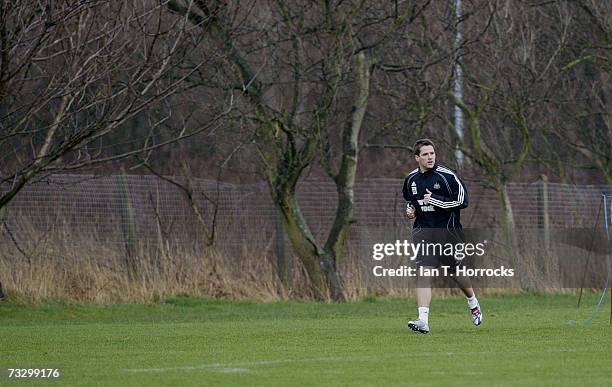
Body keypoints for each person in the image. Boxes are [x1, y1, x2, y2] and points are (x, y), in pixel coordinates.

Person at [402, 138, 482, 334]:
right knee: (423, 272)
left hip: (449, 233)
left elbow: (463, 200)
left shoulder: (446, 176)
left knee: (454, 272)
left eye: (432, 153)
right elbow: (412, 202)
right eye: (425, 154)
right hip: (423, 232)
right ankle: (423, 321)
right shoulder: (411, 179)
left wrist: (436, 200)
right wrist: (411, 211)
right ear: (417, 158)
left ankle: (472, 302)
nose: (430, 157)